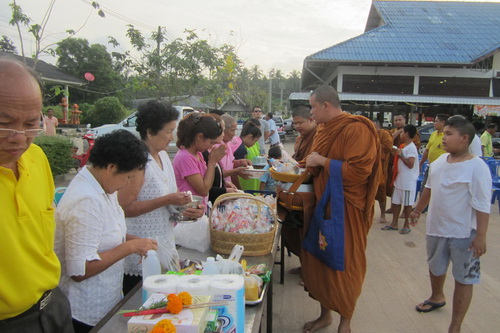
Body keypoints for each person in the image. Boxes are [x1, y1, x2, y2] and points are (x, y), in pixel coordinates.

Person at [54, 130, 158, 332]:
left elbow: (103, 232)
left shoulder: (103, 187)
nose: (127, 183)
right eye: (128, 177)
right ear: (111, 168)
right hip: (84, 311)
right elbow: (80, 269)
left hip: (106, 301)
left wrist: (134, 241)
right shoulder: (85, 200)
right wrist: (129, 247)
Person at [0, 56, 73, 333]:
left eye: (31, 123)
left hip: (52, 308)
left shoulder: (37, 158)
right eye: (4, 123)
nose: (19, 137)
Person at [303, 85, 380, 333]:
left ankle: (345, 322)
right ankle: (324, 315)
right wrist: (308, 165)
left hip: (347, 208)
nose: (311, 113)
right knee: (321, 260)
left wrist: (322, 162)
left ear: (326, 105)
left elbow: (358, 172)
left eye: (313, 107)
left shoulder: (356, 129)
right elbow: (314, 164)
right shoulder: (323, 130)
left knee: (345, 263)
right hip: (323, 204)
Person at [409, 117, 491, 333]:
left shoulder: (477, 167)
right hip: (436, 229)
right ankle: (437, 297)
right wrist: (417, 209)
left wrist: (481, 236)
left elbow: (483, 205)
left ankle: (455, 326)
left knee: (464, 278)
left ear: (464, 139)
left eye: (448, 134)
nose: (443, 138)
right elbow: (428, 188)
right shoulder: (438, 163)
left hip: (465, 234)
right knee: (435, 268)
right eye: (444, 133)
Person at [117, 101, 204, 294]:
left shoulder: (163, 156)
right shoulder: (138, 162)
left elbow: (171, 201)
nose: (171, 137)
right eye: (167, 131)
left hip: (164, 244)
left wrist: (188, 210)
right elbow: (124, 208)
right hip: (140, 252)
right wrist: (167, 201)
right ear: (149, 132)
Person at [173, 113, 226, 208]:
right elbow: (204, 189)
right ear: (200, 137)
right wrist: (212, 163)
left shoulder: (198, 154)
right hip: (189, 212)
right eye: (211, 142)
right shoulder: (185, 157)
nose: (212, 146)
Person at [381, 124, 419, 234]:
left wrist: (401, 156)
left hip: (407, 182)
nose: (401, 134)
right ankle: (394, 223)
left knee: (407, 204)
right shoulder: (404, 146)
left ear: (406, 134)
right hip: (399, 180)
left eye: (402, 132)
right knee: (396, 202)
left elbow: (410, 164)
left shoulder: (411, 148)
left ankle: (406, 224)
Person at [386, 112, 420, 212]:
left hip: (406, 170)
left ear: (405, 120)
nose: (398, 122)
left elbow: (412, 158)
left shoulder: (411, 135)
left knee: (406, 196)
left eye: (400, 120)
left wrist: (401, 154)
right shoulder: (393, 131)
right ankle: (393, 208)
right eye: (395, 120)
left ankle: (405, 215)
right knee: (394, 189)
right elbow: (388, 140)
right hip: (394, 164)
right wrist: (399, 132)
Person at [219, 114, 252, 188]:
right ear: (223, 130)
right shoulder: (216, 147)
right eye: (232, 130)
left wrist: (240, 162)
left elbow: (231, 163)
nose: (234, 134)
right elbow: (215, 174)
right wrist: (236, 171)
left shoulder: (227, 144)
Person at [418, 114, 448, 191]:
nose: (434, 123)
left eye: (436, 121)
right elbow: (427, 150)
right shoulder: (433, 134)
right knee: (424, 189)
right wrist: (421, 163)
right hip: (431, 166)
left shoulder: (447, 137)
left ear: (443, 123)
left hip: (442, 169)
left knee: (436, 191)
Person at [372, 119, 393, 223]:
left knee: (381, 192)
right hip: (370, 167)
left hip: (381, 168)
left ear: (378, 126)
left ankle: (383, 214)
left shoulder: (384, 134)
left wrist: (374, 146)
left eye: (373, 126)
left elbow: (388, 147)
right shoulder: (368, 134)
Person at [235, 119, 262, 191]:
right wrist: (239, 189)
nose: (254, 144)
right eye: (255, 141)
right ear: (250, 137)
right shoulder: (241, 148)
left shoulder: (238, 142)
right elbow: (234, 171)